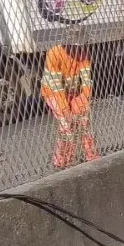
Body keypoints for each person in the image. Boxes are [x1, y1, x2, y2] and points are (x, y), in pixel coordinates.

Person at [41, 26, 99, 169]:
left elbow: (86, 83)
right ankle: (62, 161)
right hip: (53, 92)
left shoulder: (83, 55)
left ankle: (91, 155)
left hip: (73, 91)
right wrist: (65, 110)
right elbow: (56, 86)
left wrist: (84, 104)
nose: (75, 50)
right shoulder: (54, 53)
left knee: (84, 122)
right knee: (66, 126)